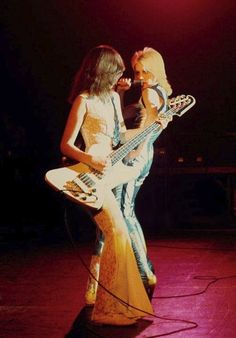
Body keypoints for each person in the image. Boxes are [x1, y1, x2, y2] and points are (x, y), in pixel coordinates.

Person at [60, 44, 154, 326]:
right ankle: (110, 308)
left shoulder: (114, 98)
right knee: (116, 234)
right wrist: (90, 157)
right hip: (92, 174)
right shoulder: (83, 101)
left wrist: (153, 126)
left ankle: (121, 306)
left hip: (113, 171)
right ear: (104, 71)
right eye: (116, 72)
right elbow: (64, 144)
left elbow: (121, 135)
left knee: (118, 236)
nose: (120, 78)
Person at [85, 47, 173, 305]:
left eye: (146, 71)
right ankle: (140, 270)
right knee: (126, 211)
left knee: (123, 212)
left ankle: (145, 271)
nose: (142, 76)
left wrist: (134, 153)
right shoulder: (158, 91)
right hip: (141, 155)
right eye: (138, 71)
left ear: (156, 69)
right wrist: (121, 95)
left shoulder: (149, 93)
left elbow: (142, 130)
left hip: (136, 156)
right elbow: (123, 123)